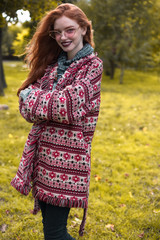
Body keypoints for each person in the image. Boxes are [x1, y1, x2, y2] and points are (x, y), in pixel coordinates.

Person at [11, 3, 103, 240]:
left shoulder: (92, 67)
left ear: (83, 28)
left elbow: (67, 106)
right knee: (51, 230)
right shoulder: (52, 65)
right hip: (43, 159)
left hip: (67, 163)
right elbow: (26, 110)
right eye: (57, 32)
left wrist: (34, 97)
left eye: (69, 30)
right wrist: (41, 102)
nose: (63, 37)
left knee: (55, 233)